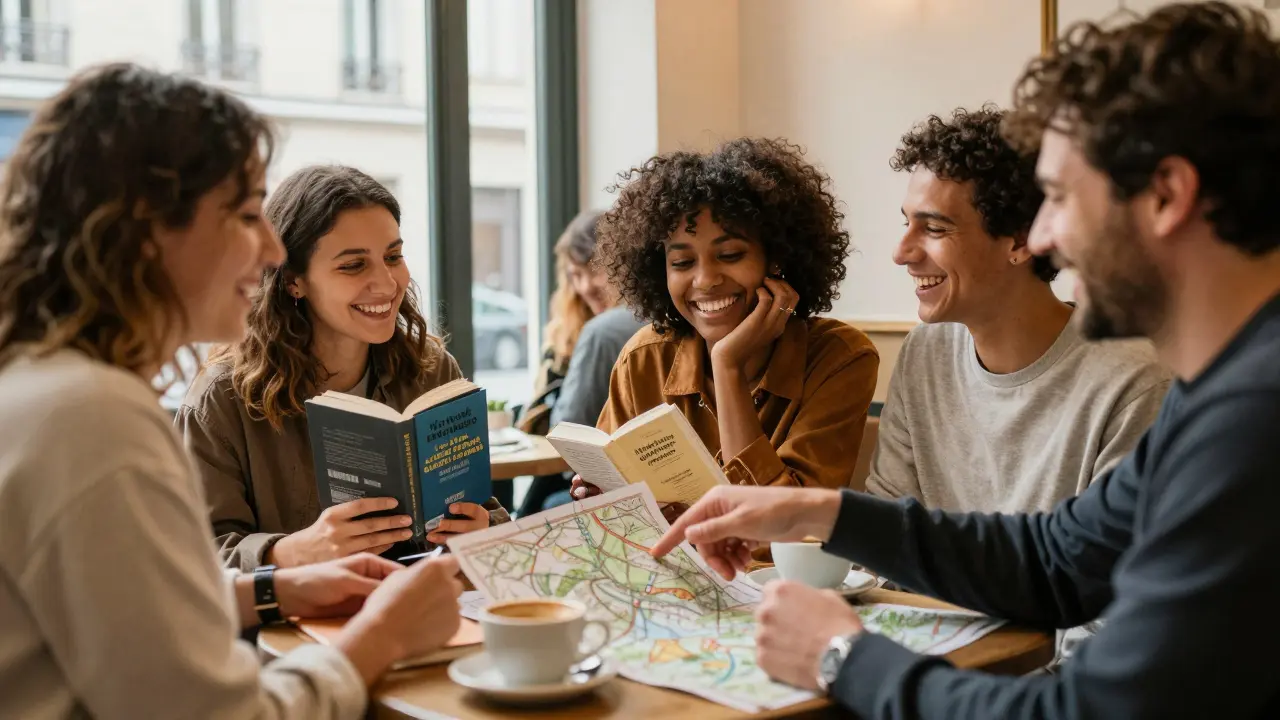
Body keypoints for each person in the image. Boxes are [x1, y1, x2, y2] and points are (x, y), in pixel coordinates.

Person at [652, 4, 1280, 717]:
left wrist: (840, 657)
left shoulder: (1254, 420)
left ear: (1166, 195)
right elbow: (1058, 561)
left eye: (1061, 198)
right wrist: (817, 510)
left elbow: (1093, 711)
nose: (1043, 234)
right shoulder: (1225, 390)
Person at [0, 63, 463, 719]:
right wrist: (383, 635)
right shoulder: (93, 419)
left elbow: (124, 612)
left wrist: (276, 591)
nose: (272, 249)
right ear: (146, 228)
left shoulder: (40, 387)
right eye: (247, 214)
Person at [177, 165, 509, 572]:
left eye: (393, 256)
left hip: (425, 607)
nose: (387, 284)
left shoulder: (432, 370)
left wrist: (481, 529)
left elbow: (484, 511)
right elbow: (192, 558)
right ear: (294, 281)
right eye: (353, 265)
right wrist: (288, 553)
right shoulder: (222, 398)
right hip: (297, 628)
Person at [874, 105, 1169, 515]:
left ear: (1019, 241)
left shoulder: (1132, 381)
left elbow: (1097, 566)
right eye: (905, 223)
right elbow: (884, 527)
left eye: (935, 228)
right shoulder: (925, 353)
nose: (900, 252)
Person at [572, 137, 880, 516]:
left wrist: (728, 365)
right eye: (682, 263)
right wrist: (603, 500)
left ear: (777, 258)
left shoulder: (839, 357)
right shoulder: (644, 359)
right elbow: (621, 528)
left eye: (730, 255)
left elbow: (787, 531)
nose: (705, 280)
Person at [515, 210, 645, 516]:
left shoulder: (602, 333)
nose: (585, 285)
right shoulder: (578, 332)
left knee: (540, 510)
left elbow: (568, 430)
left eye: (595, 269)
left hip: (610, 490)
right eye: (576, 274)